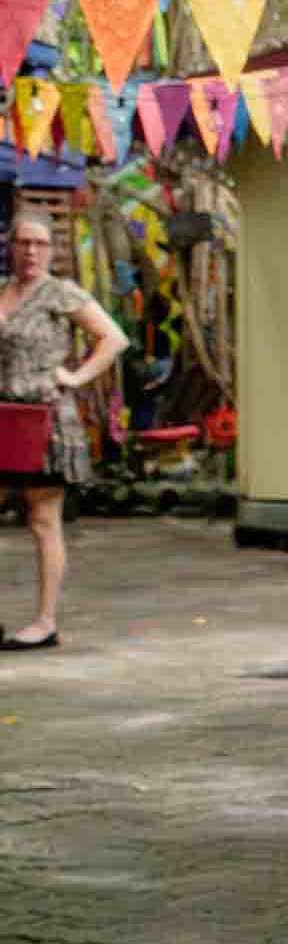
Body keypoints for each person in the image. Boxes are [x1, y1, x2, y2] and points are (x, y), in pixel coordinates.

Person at [0, 206, 128, 651]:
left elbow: (113, 338)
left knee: (42, 518)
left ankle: (45, 622)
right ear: (10, 246)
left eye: (40, 243)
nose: (31, 251)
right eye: (24, 242)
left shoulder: (60, 293)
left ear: (51, 250)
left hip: (44, 418)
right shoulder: (2, 293)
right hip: (4, 415)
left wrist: (75, 377)